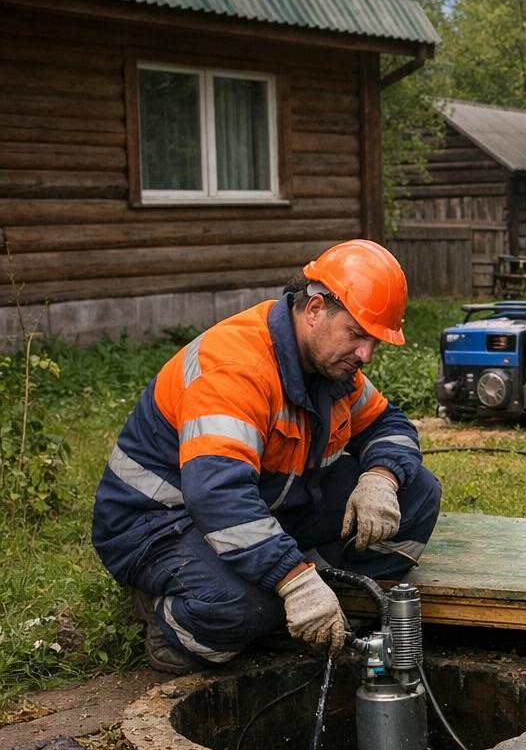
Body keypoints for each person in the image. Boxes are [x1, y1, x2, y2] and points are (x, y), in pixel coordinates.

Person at [92, 239, 442, 675]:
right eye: (357, 334)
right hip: (158, 522)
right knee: (245, 609)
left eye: (373, 341)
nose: (365, 354)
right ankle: (170, 618)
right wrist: (293, 581)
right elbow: (219, 495)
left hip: (261, 506)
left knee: (418, 496)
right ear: (315, 309)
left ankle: (298, 594)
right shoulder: (238, 368)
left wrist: (382, 476)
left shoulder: (332, 367)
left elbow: (389, 424)